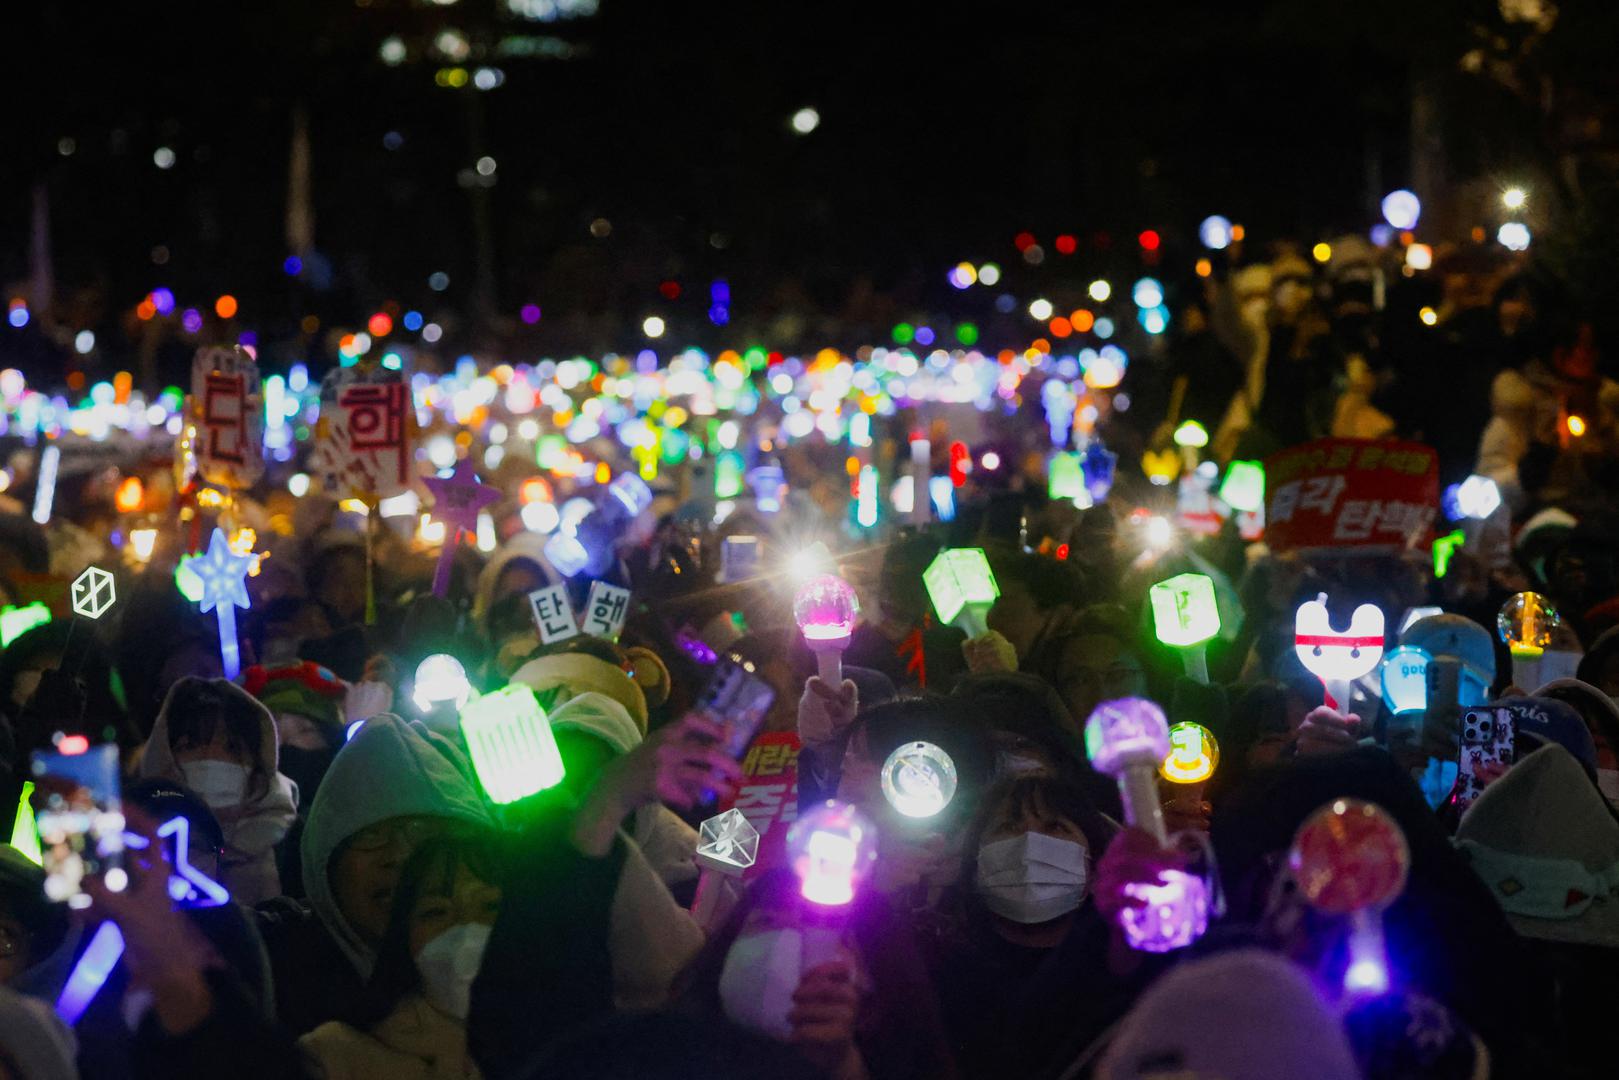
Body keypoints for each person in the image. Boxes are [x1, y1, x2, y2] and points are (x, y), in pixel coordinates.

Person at [257, 713, 495, 1036]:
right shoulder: (272, 975)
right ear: (325, 857)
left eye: (423, 832)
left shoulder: (517, 968)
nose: (399, 854)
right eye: (370, 834)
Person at [922, 774, 1141, 1079]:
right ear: (975, 867)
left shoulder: (1120, 976)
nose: (1030, 843)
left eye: (1055, 827)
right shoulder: (937, 969)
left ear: (1094, 871)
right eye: (1008, 827)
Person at [300, 831, 502, 1079]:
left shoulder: (555, 1041)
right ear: (403, 933)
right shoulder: (335, 1057)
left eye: (490, 906)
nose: (466, 926)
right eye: (436, 911)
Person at [136, 677, 298, 905]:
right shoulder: (133, 844)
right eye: (190, 745)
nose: (212, 757)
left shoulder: (293, 844)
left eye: (232, 747)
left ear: (261, 763)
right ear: (163, 756)